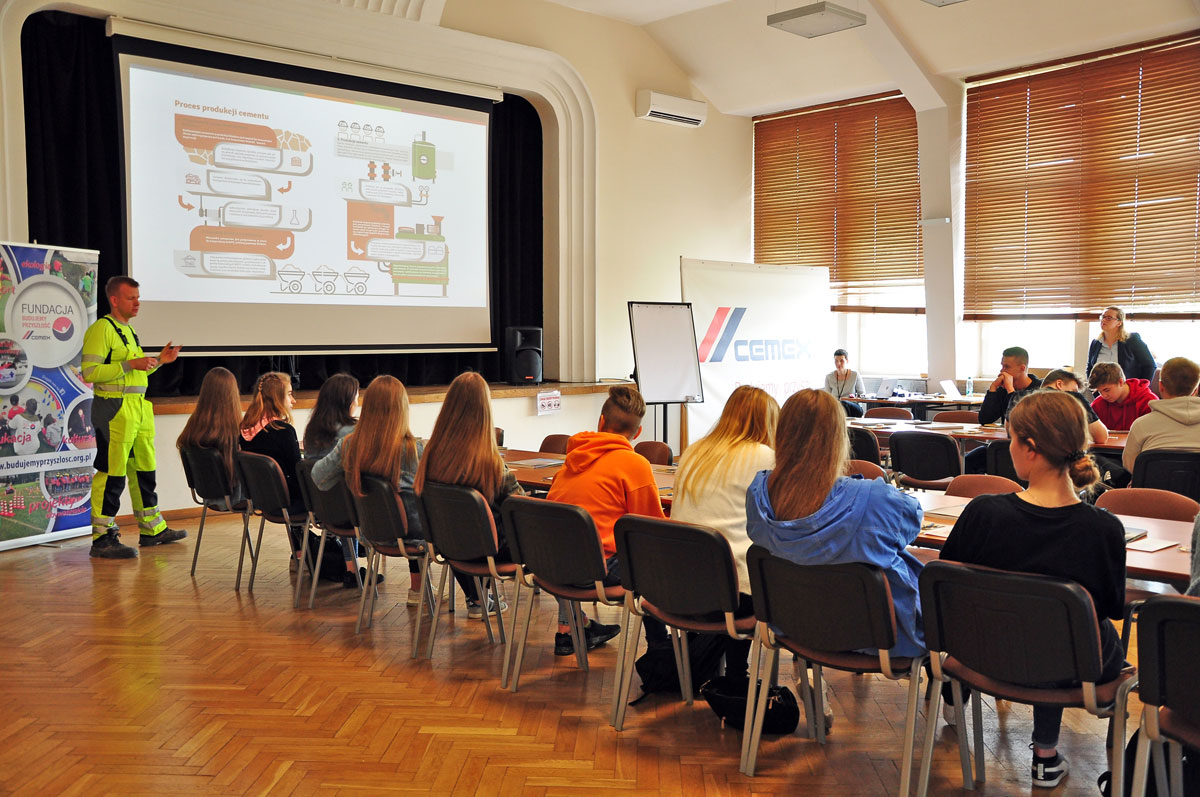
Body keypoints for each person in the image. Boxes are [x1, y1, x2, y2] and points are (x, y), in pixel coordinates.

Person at [940, 390, 1126, 789]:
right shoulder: (1103, 529)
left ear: (1030, 448)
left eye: (1011, 439)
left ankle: (958, 701)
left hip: (985, 657)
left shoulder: (983, 513)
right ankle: (1045, 754)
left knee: (1034, 619)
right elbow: (1112, 607)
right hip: (1076, 670)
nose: (1009, 447)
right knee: (1063, 624)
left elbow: (948, 584)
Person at [746, 389, 925, 659]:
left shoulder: (759, 495)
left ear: (781, 433)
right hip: (883, 638)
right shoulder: (875, 500)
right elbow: (912, 523)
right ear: (838, 438)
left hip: (795, 626)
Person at [545, 384, 662, 656]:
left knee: (570, 544)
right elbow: (651, 529)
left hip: (551, 564)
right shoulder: (635, 465)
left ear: (600, 421)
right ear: (638, 433)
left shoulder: (571, 458)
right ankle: (660, 646)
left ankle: (575, 627)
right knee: (658, 560)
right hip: (598, 570)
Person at [82, 275, 184, 559]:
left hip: (138, 408)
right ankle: (102, 537)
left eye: (138, 298)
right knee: (111, 471)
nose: (137, 303)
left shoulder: (128, 331)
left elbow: (134, 374)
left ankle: (152, 529)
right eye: (131, 298)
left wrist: (159, 361)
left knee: (144, 468)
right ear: (114, 300)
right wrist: (129, 363)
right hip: (113, 409)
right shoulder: (102, 329)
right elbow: (90, 372)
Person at [414, 371, 524, 618]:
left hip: (450, 547)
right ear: (485, 410)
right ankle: (569, 623)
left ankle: (477, 598)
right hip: (490, 551)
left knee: (461, 522)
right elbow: (521, 504)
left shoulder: (430, 454)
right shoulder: (490, 462)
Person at [313, 375, 420, 592]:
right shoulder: (416, 449)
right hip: (414, 535)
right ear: (403, 408)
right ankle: (420, 590)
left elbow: (318, 477)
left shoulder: (349, 445)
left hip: (369, 532)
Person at [241, 371, 343, 582]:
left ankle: (300, 555)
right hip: (288, 502)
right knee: (332, 493)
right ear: (278, 398)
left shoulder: (245, 429)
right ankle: (342, 558)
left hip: (264, 500)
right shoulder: (283, 430)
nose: (293, 400)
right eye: (289, 394)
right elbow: (298, 475)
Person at [176, 366, 244, 509]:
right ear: (232, 395)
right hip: (234, 498)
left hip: (208, 496)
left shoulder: (194, 426)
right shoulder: (231, 433)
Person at [966, 346, 1041, 472]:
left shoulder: (1039, 390)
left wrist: (1011, 391)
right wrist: (993, 389)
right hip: (1005, 446)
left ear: (1022, 368)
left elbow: (1022, 420)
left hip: (1031, 450)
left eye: (1007, 367)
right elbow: (984, 419)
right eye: (1002, 366)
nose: (1002, 371)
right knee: (968, 461)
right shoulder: (1003, 389)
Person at [1123, 356, 1200, 473]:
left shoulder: (1141, 425)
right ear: (1195, 390)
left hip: (1152, 489)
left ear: (1160, 387)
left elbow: (1130, 466)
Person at [1086, 306, 1155, 381]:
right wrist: (1092, 386)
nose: (1103, 320)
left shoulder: (1132, 340)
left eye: (1109, 318)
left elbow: (1150, 365)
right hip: (1100, 390)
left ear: (1119, 323)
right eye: (1103, 317)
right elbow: (1090, 367)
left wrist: (1140, 387)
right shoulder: (1096, 343)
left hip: (1127, 390)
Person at [303, 373, 359, 460]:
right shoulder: (351, 432)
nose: (356, 404)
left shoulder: (311, 430)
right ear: (348, 402)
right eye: (356, 399)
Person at [1088, 362, 1158, 431]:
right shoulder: (1097, 405)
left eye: (1107, 390)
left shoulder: (1149, 402)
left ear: (1121, 382)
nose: (1104, 396)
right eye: (1099, 392)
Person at [824, 348, 865, 418]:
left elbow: (862, 394)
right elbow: (827, 397)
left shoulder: (855, 375)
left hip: (853, 406)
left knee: (844, 403)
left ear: (847, 361)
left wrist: (854, 398)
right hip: (835, 407)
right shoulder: (829, 377)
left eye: (841, 361)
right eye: (836, 361)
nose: (838, 363)